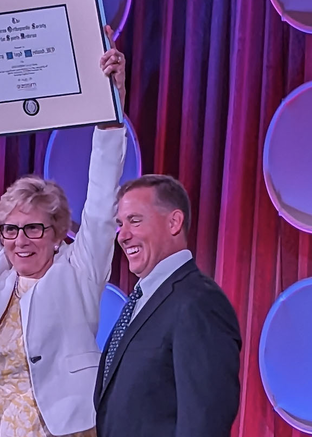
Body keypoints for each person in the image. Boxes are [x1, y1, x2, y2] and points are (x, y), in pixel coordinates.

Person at [0, 26, 128, 437]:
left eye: (33, 228)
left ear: (58, 232)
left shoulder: (78, 271)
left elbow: (103, 198)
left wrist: (113, 97)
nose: (19, 241)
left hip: (68, 429)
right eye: (10, 229)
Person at [94, 175, 242, 437]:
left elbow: (203, 422)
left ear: (174, 222)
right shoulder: (141, 300)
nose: (122, 236)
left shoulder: (198, 302)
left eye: (135, 221)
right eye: (120, 224)